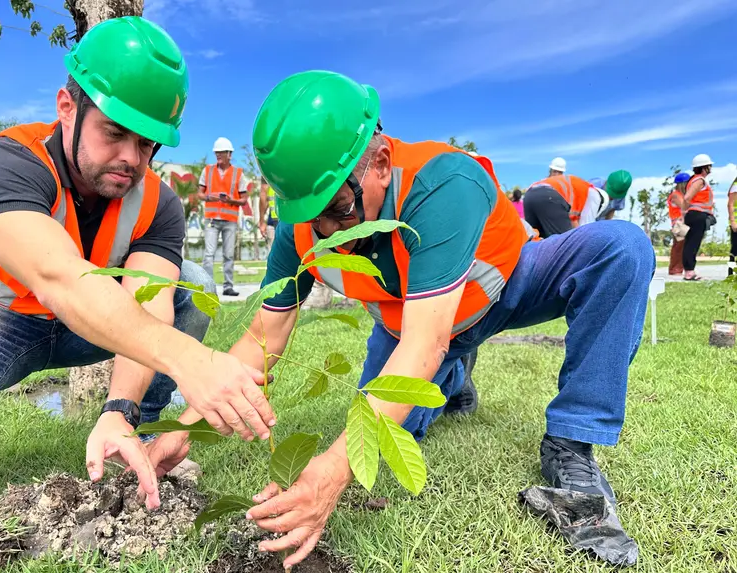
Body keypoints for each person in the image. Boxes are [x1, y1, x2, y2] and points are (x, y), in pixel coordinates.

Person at [149, 70, 655, 568]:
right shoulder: (301, 227)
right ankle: (453, 381)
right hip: (412, 330)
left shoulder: (442, 182)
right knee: (397, 432)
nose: (331, 231)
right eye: (310, 214)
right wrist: (185, 424)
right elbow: (265, 334)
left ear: (381, 162)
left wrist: (330, 471)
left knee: (621, 248)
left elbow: (425, 342)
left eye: (340, 207)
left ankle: (572, 438)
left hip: (506, 288)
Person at [0, 16, 274, 505]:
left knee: (190, 287)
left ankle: (145, 426)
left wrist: (119, 408)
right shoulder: (3, 163)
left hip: (90, 328)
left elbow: (151, 303)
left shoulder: (158, 200)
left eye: (147, 144)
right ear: (67, 108)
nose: (132, 158)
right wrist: (192, 362)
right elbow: (59, 278)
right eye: (115, 132)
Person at [197, 137, 247, 297]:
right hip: (212, 219)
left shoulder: (238, 173)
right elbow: (199, 193)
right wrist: (208, 197)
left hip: (230, 221)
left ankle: (228, 286)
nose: (218, 155)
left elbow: (244, 199)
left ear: (229, 154)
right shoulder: (207, 171)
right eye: (216, 153)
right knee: (208, 254)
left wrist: (231, 200)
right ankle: (208, 287)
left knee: (229, 255)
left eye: (221, 153)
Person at [524, 170, 632, 238]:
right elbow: (585, 228)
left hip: (530, 194)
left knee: (536, 239)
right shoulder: (595, 194)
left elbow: (575, 218)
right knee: (565, 244)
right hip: (549, 196)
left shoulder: (583, 189)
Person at [682, 154, 716, 281]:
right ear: (704, 167)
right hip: (698, 215)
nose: (710, 168)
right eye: (709, 166)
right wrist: (684, 211)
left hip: (694, 215)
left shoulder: (694, 179)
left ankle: (688, 271)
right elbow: (687, 198)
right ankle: (690, 271)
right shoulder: (699, 180)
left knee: (690, 243)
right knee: (693, 243)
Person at [667, 173, 691, 276]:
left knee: (683, 246)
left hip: (683, 222)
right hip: (678, 223)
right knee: (679, 246)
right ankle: (675, 269)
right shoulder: (676, 194)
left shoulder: (682, 195)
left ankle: (679, 268)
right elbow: (684, 206)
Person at [258, 178, 279, 249]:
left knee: (275, 253)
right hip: (291, 217)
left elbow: (263, 196)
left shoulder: (267, 168)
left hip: (275, 217)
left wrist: (262, 221)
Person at [728, 175, 737, 277]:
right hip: (736, 222)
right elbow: (730, 204)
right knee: (734, 250)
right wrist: (733, 221)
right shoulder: (736, 186)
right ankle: (730, 273)